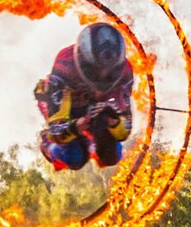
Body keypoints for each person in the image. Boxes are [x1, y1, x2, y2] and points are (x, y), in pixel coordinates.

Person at [35, 21, 134, 171]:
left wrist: (113, 121)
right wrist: (77, 126)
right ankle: (48, 146)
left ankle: (90, 141)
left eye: (109, 73)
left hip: (92, 107)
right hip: (63, 104)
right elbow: (57, 130)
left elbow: (125, 128)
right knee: (75, 158)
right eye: (96, 71)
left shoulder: (125, 72)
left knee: (113, 156)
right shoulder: (65, 67)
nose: (103, 76)